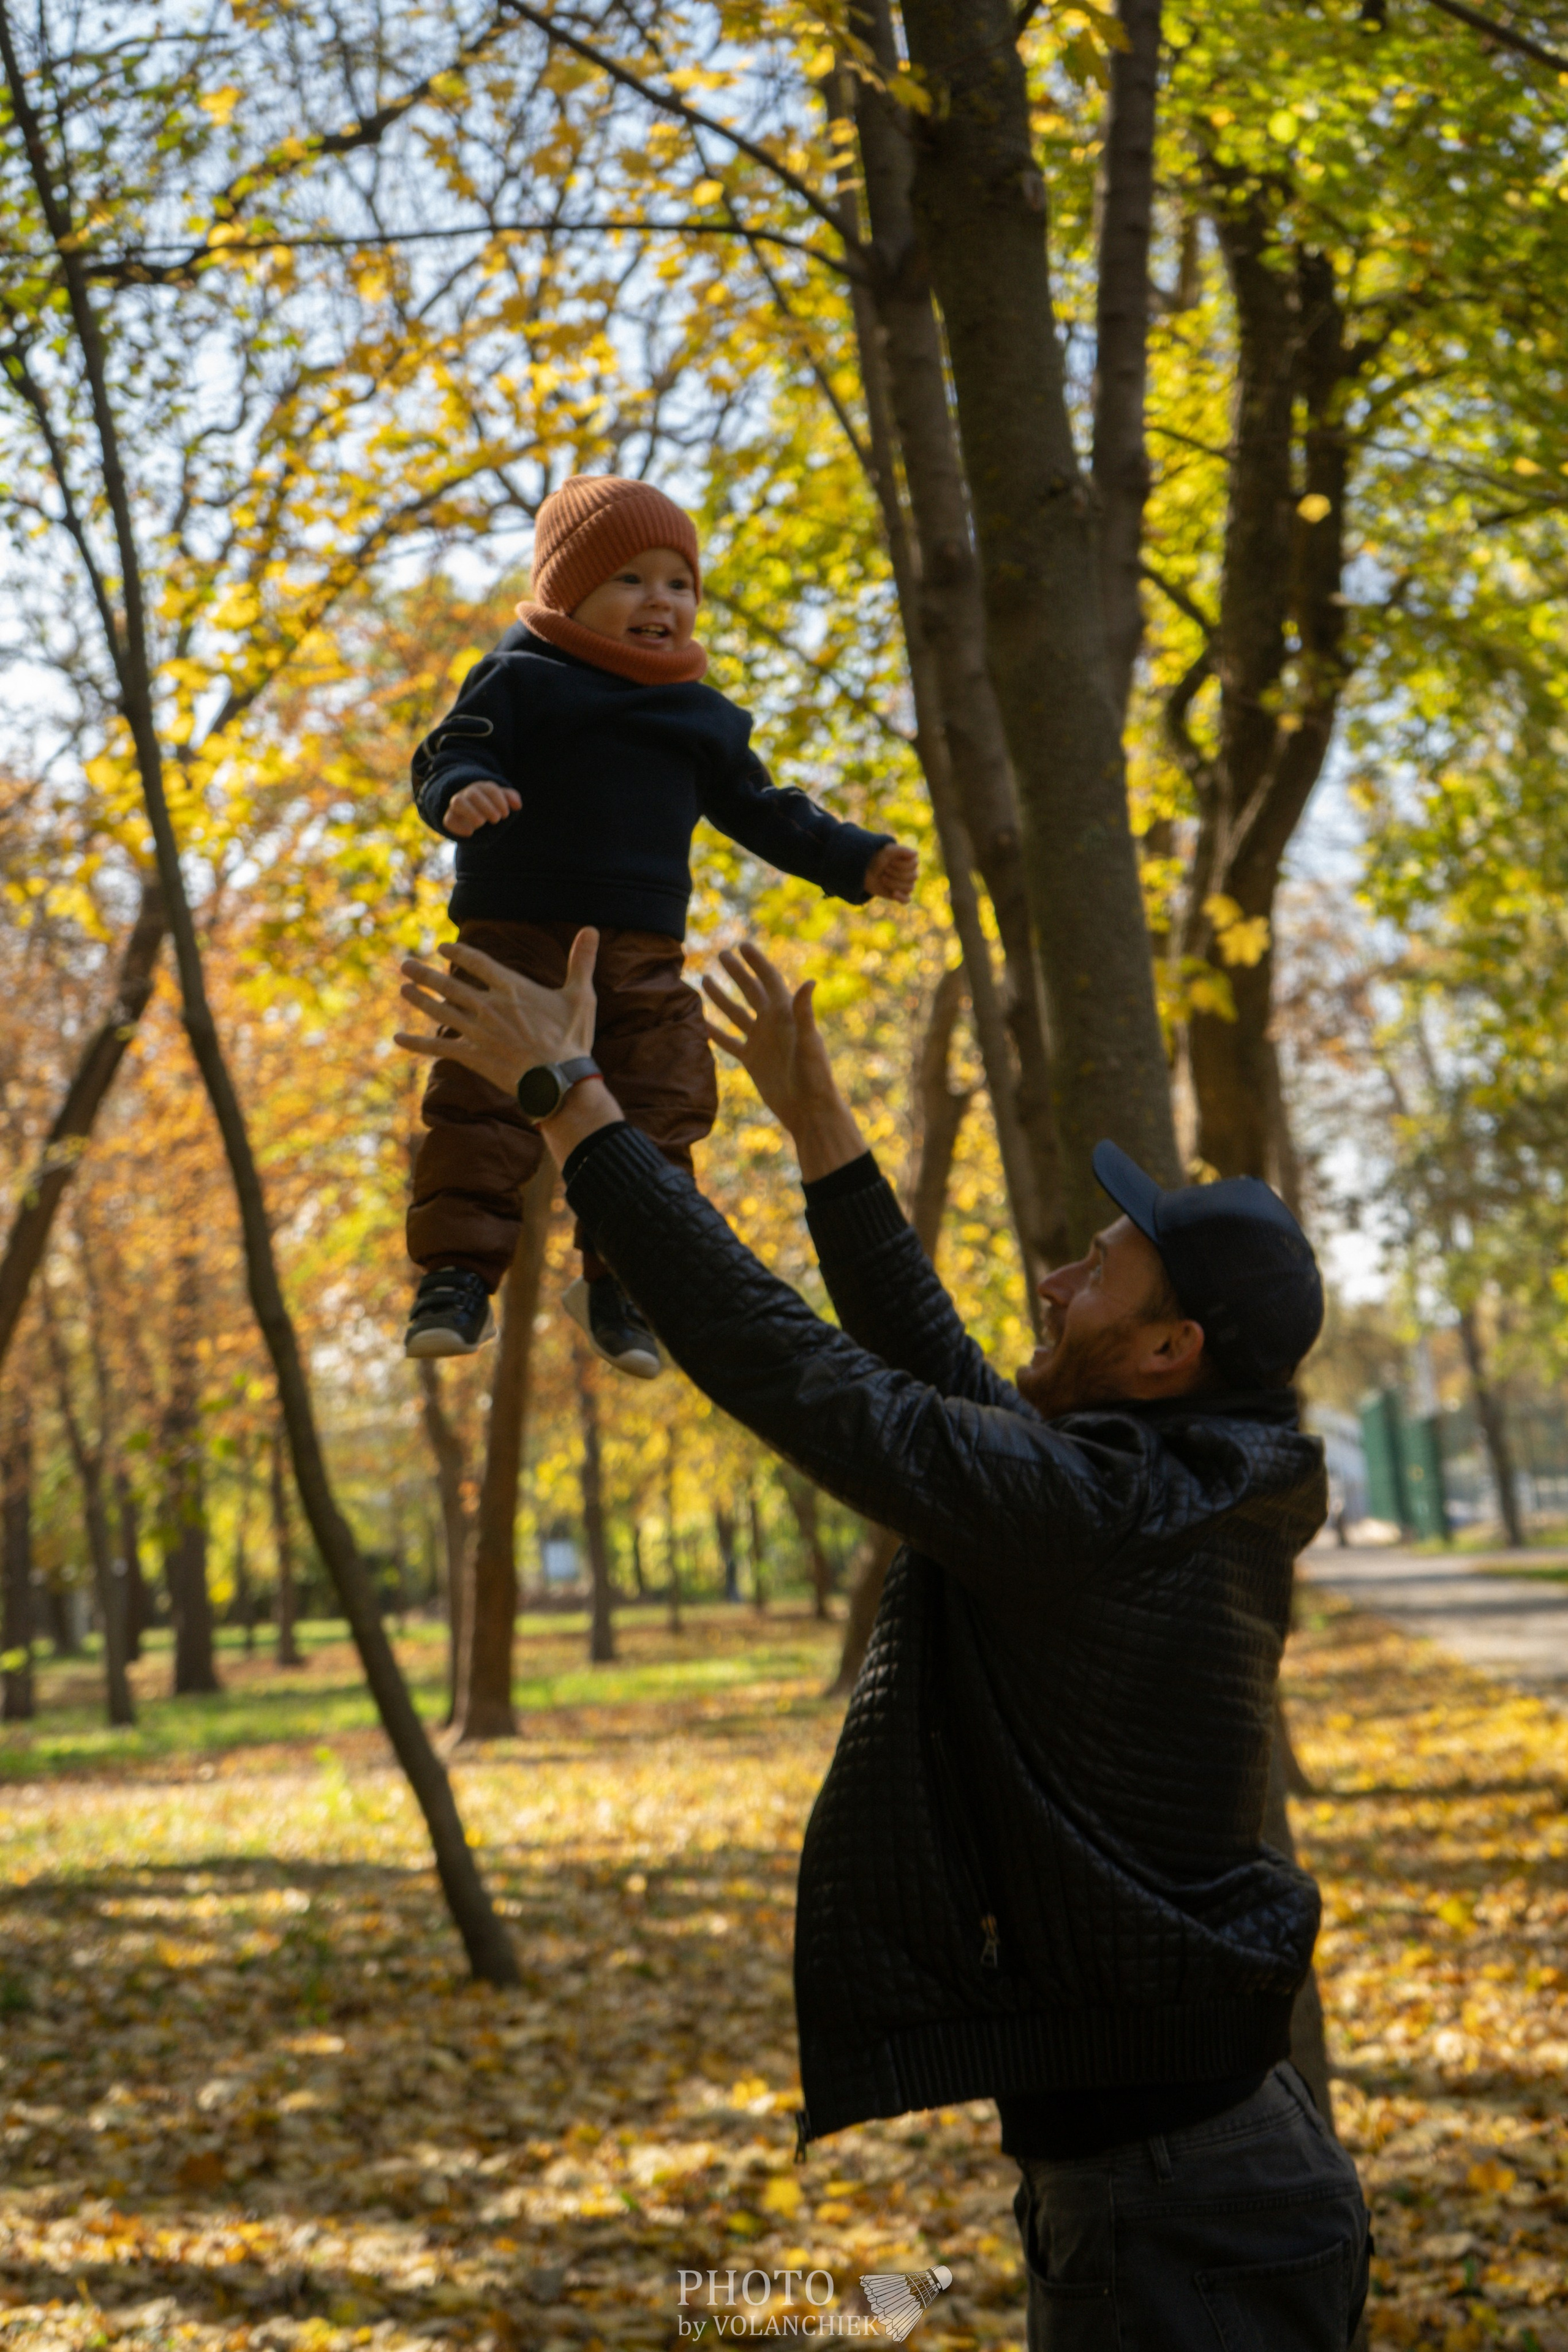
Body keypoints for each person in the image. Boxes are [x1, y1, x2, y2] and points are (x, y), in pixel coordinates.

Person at [393, 930, 1371, 2351]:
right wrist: (820, 1126)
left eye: (1097, 1272)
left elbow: (815, 1385)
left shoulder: (1104, 1508)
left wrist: (571, 1101)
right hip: (1184, 2182)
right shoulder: (1171, 1485)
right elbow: (943, 1393)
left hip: (1186, 2219)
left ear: (1170, 1354)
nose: (1053, 1278)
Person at [402, 473, 917, 1375]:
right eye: (631, 580)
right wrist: (460, 794)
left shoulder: (699, 716)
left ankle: (623, 1280)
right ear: (568, 591)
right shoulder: (520, 675)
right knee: (482, 1102)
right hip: (514, 938)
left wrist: (853, 859)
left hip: (637, 952)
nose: (661, 601)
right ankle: (455, 1275)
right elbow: (452, 751)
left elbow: (764, 809)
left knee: (664, 1099)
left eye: (678, 583)